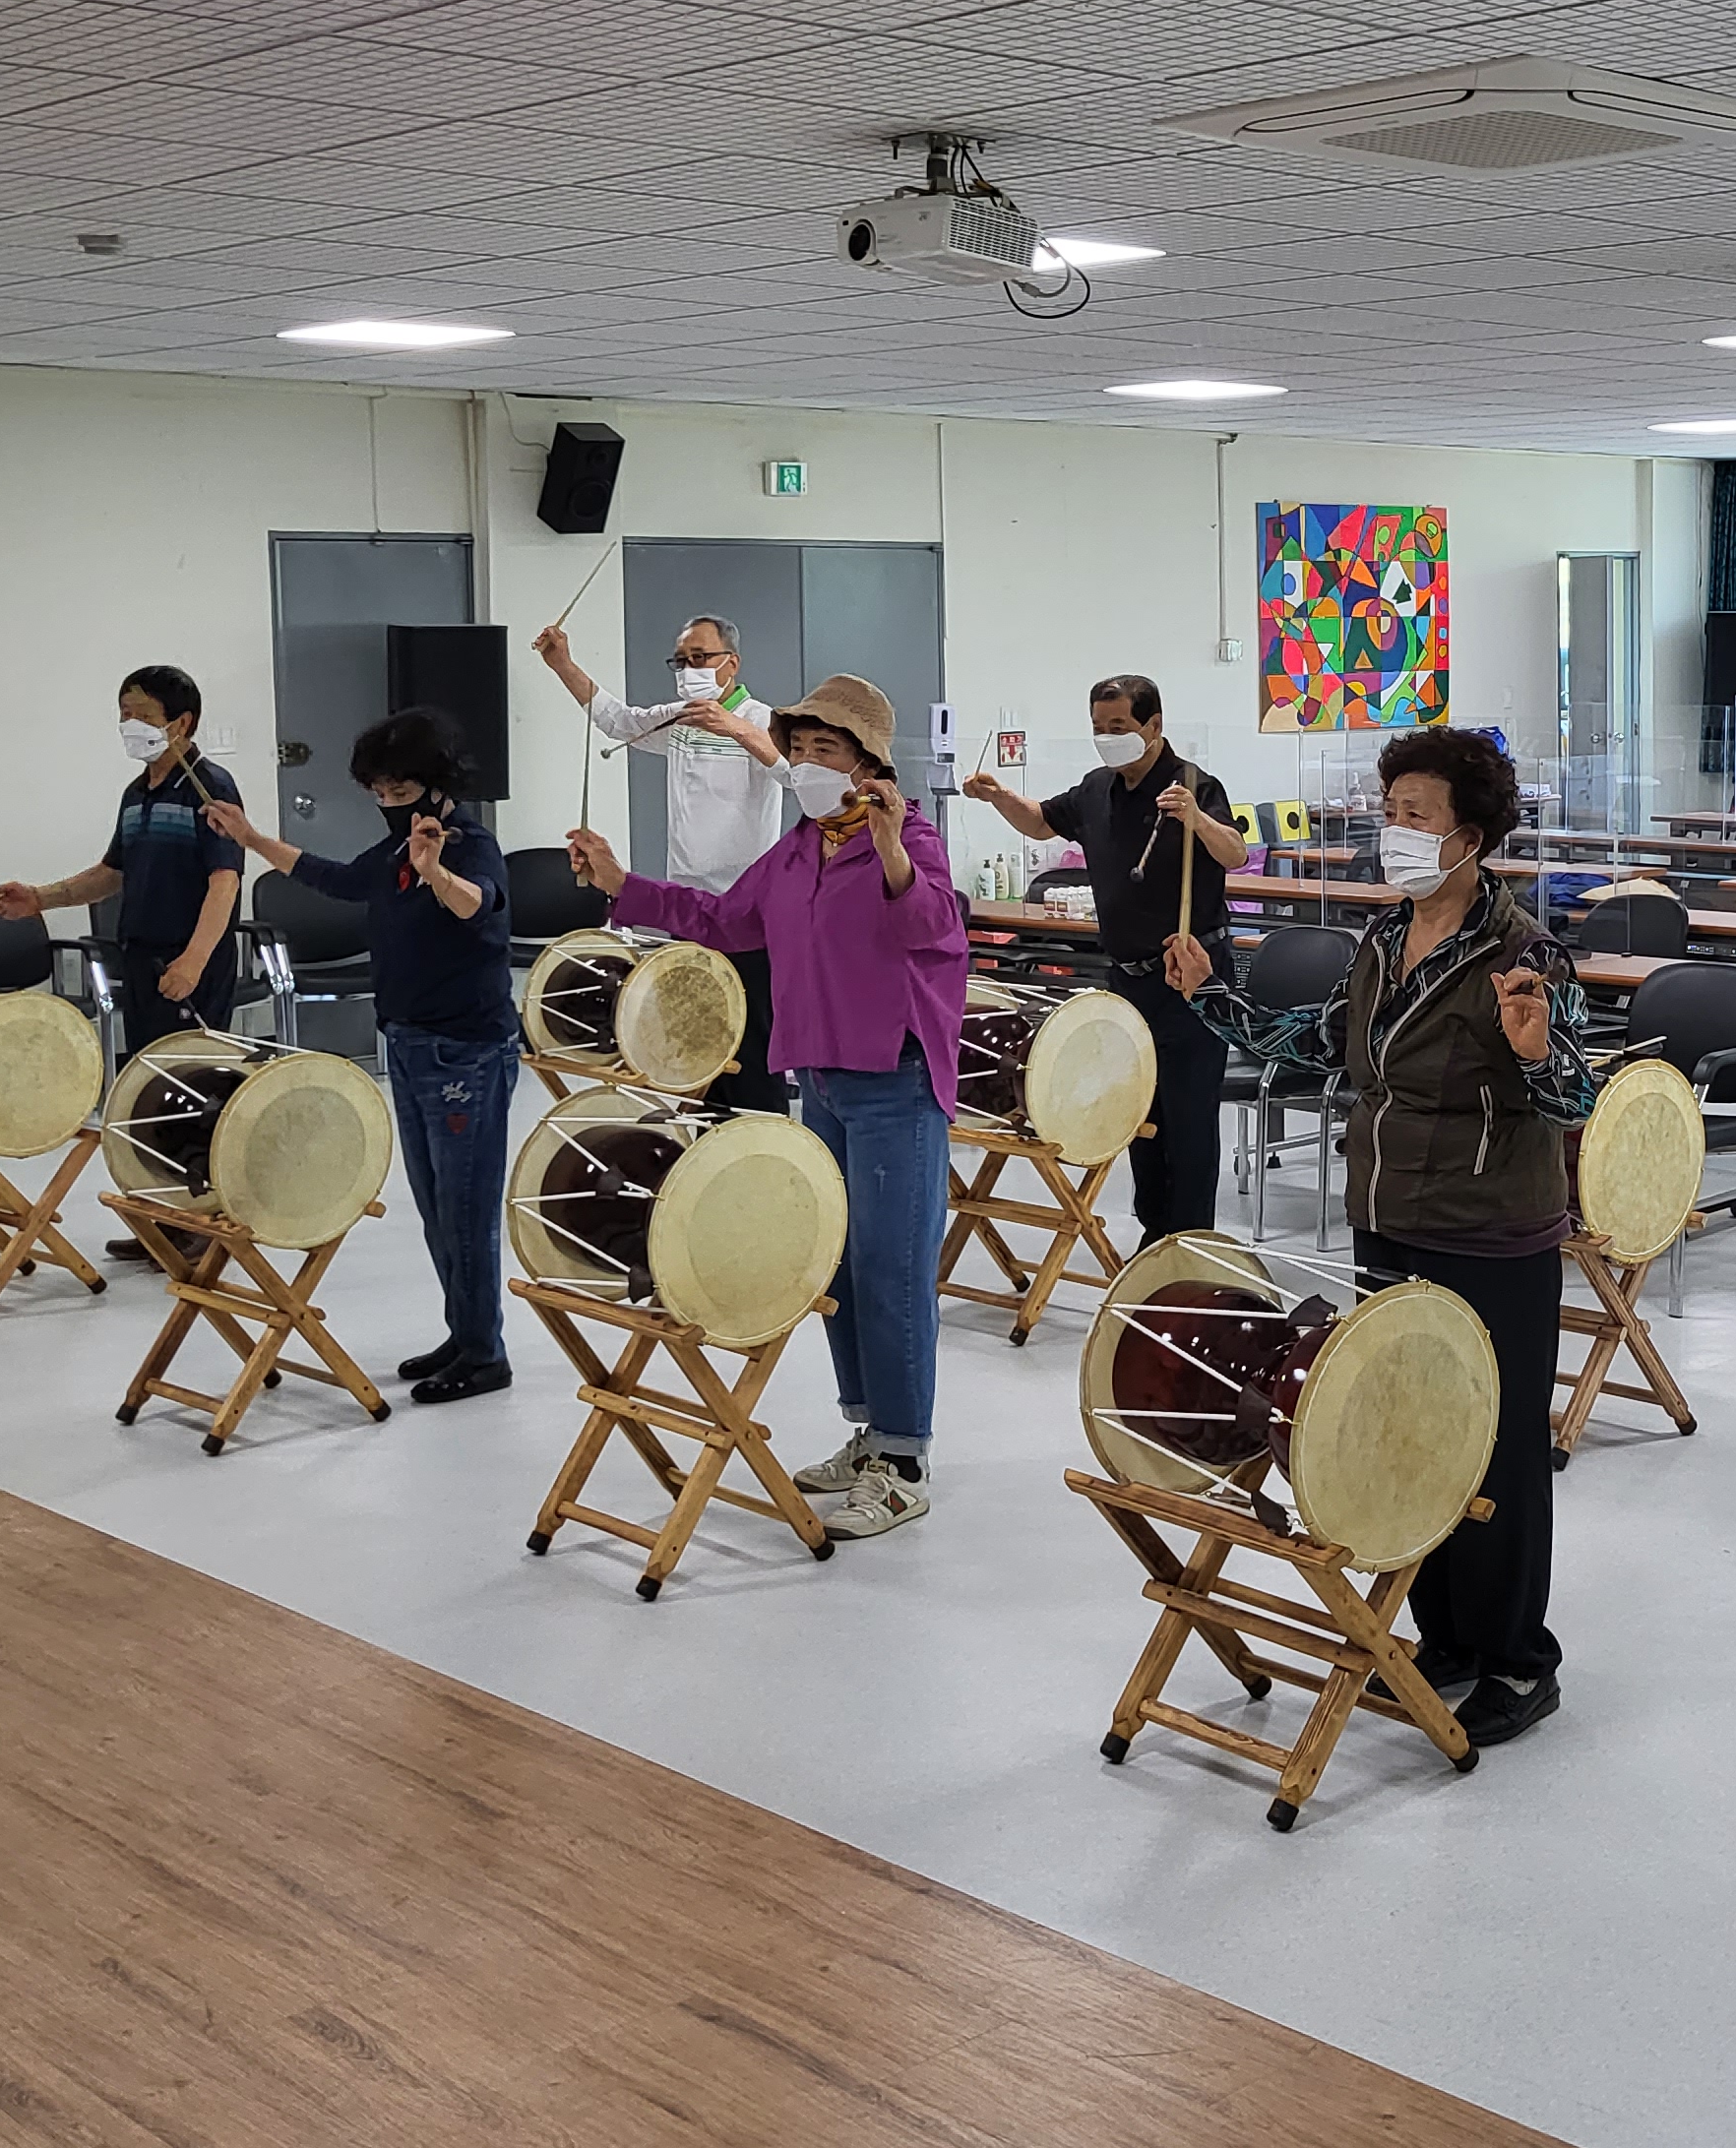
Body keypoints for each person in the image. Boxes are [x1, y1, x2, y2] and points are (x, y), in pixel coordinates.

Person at [1165, 726, 1595, 1749]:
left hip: (1489, 1232)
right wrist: (1211, 995)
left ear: (1469, 837)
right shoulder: (1381, 939)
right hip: (1390, 1220)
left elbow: (1578, 1095)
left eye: (1415, 815)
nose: (1391, 829)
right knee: (1409, 1431)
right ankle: (1444, 1636)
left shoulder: (1522, 953)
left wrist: (1537, 1052)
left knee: (1495, 1450)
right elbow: (1319, 1044)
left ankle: (1516, 1658)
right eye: (1388, 809)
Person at [567, 672, 963, 1540]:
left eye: (830, 749)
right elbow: (722, 920)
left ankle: (905, 1460)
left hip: (894, 1078)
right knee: (839, 1266)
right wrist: (623, 882)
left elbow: (932, 929)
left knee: (893, 1271)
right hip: (818, 1077)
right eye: (802, 747)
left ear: (868, 765)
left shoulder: (911, 838)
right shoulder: (796, 851)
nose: (811, 762)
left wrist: (892, 851)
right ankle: (870, 1433)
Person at [197, 708, 521, 1402]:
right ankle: (465, 1332)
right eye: (377, 793)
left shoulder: (470, 847)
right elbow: (339, 880)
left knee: (465, 1209)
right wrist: (251, 838)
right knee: (435, 1206)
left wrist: (435, 872)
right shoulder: (396, 851)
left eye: (400, 792)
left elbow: (478, 905)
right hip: (407, 1042)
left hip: (466, 1053)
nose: (387, 804)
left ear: (436, 786)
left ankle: (484, 1355)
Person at [962, 675, 1246, 1237]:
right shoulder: (1097, 788)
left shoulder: (1193, 785)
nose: (1107, 738)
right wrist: (998, 796)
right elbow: (1040, 821)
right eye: (1098, 727)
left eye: (1119, 727)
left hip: (1190, 978)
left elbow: (1234, 853)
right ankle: (1152, 1234)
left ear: (1154, 726)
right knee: (1137, 1112)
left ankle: (1190, 1241)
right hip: (1129, 982)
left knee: (1188, 1119)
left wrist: (1197, 818)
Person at [0, 663, 247, 1263]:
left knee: (194, 1095)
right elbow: (112, 873)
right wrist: (41, 898)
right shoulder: (137, 794)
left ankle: (203, 1221)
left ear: (181, 723)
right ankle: (161, 1216)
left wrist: (193, 961)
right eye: (124, 713)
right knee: (148, 1093)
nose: (130, 725)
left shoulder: (212, 788)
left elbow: (225, 881)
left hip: (189, 965)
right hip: (140, 958)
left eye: (142, 715)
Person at [534, 611, 789, 1110]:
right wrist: (562, 664)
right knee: (696, 1037)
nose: (689, 669)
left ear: (731, 663)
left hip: (746, 911)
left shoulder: (763, 721)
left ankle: (761, 1132)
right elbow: (617, 720)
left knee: (752, 1042)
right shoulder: (680, 718)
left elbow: (791, 774)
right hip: (686, 905)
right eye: (681, 660)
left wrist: (736, 729)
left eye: (701, 657)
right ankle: (703, 1133)